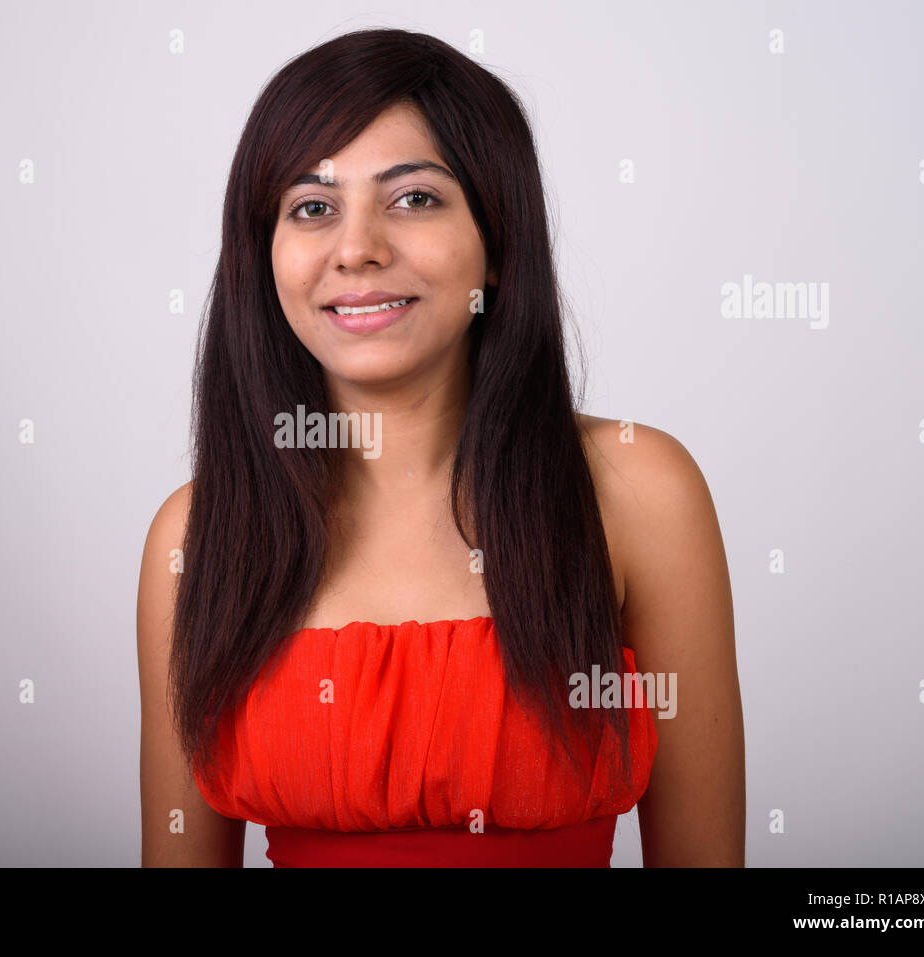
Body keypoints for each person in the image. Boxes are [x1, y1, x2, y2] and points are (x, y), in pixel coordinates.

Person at [138, 28, 744, 867]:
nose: (357, 249)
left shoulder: (640, 489)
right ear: (263, 253)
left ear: (497, 242)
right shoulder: (194, 535)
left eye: (413, 198)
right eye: (312, 207)